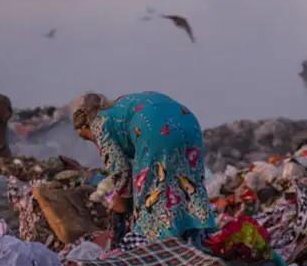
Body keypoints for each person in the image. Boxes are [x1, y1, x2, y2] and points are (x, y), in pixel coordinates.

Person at [71, 92, 215, 246]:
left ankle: (160, 247)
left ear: (86, 125)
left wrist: (119, 203)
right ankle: (197, 241)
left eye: (88, 138)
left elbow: (120, 170)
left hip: (156, 131)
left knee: (152, 192)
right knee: (188, 183)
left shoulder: (99, 123)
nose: (95, 144)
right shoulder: (120, 107)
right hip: (189, 124)